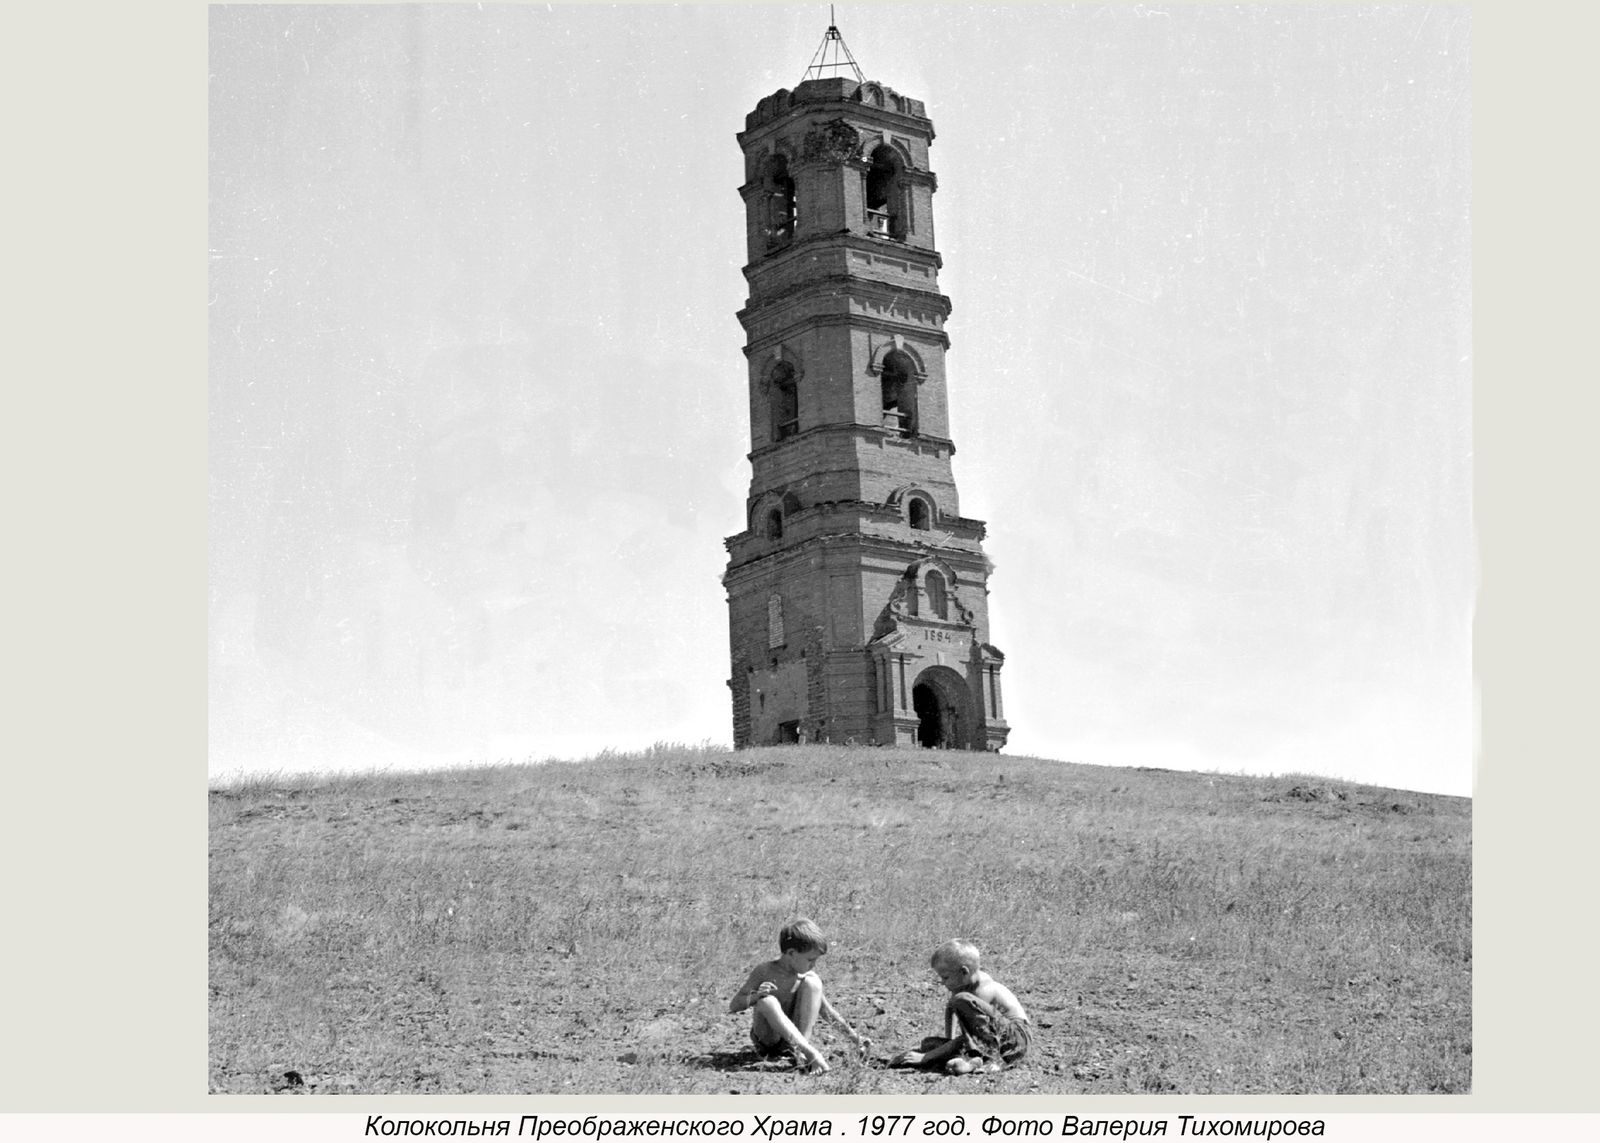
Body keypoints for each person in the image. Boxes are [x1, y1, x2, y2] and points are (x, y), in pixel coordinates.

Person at [729, 918, 869, 1073]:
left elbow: (826, 1012)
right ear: (791, 953)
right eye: (810, 959)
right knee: (768, 1001)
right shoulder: (765, 971)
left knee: (814, 982)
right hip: (768, 1040)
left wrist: (855, 1038)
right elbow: (734, 1005)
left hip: (794, 1042)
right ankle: (810, 1053)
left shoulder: (804, 977)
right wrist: (756, 997)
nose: (813, 965)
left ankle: (801, 1051)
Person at [890, 939, 1031, 1074]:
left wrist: (926, 1057)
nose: (942, 982)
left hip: (1016, 1041)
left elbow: (966, 1038)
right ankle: (973, 1061)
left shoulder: (982, 991)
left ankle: (983, 1061)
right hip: (994, 1041)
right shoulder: (966, 982)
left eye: (945, 977)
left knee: (960, 1003)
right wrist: (948, 1041)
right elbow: (951, 1008)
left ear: (964, 971)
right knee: (929, 1043)